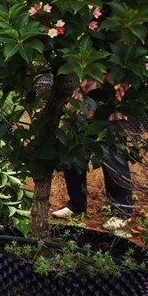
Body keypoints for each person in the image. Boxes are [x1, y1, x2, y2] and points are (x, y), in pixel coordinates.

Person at [52, 80, 133, 230]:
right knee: (73, 159)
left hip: (112, 114)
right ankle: (76, 205)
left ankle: (122, 211)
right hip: (81, 109)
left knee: (114, 163)